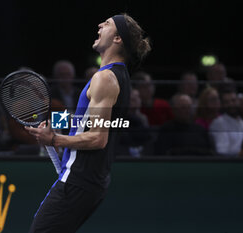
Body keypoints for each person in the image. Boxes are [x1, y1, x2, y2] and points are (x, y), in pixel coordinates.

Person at [25, 13, 151, 233]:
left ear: (118, 38)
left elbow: (98, 137)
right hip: (86, 180)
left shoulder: (105, 79)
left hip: (80, 179)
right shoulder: (116, 77)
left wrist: (54, 139)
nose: (100, 24)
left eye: (108, 23)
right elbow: (84, 120)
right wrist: (55, 120)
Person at [209, 90, 243, 156]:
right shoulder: (218, 124)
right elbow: (222, 151)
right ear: (222, 105)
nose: (231, 104)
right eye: (226, 102)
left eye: (233, 100)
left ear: (238, 101)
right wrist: (242, 153)